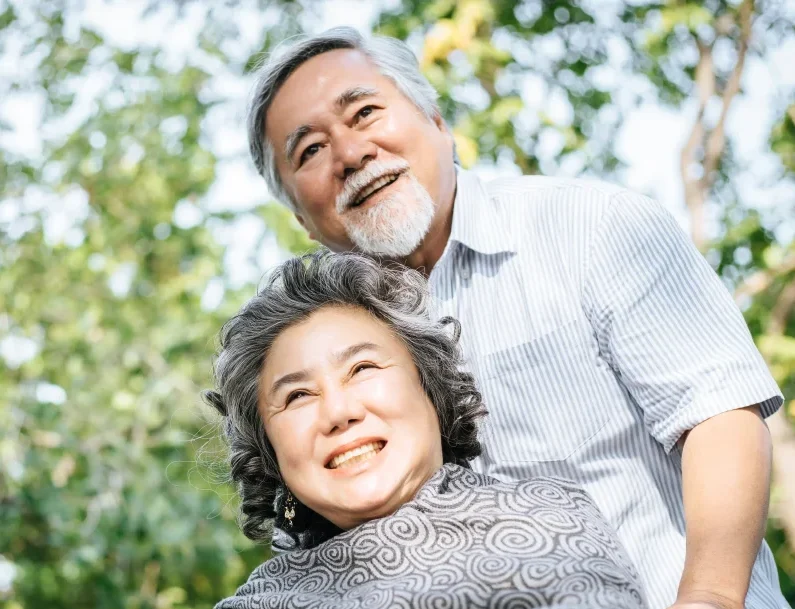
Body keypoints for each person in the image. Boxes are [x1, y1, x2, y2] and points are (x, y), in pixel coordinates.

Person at [243, 27, 789, 609]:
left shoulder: (594, 227)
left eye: (365, 113)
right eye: (311, 151)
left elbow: (718, 414)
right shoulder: (323, 359)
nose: (351, 155)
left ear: (435, 119)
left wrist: (708, 598)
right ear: (301, 220)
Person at [207, 250, 647, 609]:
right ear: (270, 453)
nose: (338, 412)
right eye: (298, 396)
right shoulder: (256, 602)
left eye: (362, 368)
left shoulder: (550, 519)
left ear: (430, 389)